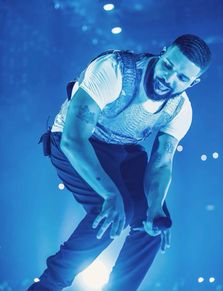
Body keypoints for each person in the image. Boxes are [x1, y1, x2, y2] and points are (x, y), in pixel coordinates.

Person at [28, 34, 211, 291]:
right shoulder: (114, 70)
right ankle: (46, 287)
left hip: (121, 151)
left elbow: (160, 164)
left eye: (182, 78)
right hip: (73, 140)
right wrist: (110, 194)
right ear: (164, 51)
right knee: (112, 211)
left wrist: (156, 206)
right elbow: (73, 138)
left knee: (152, 226)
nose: (168, 80)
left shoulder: (181, 109)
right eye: (168, 66)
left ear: (193, 82)